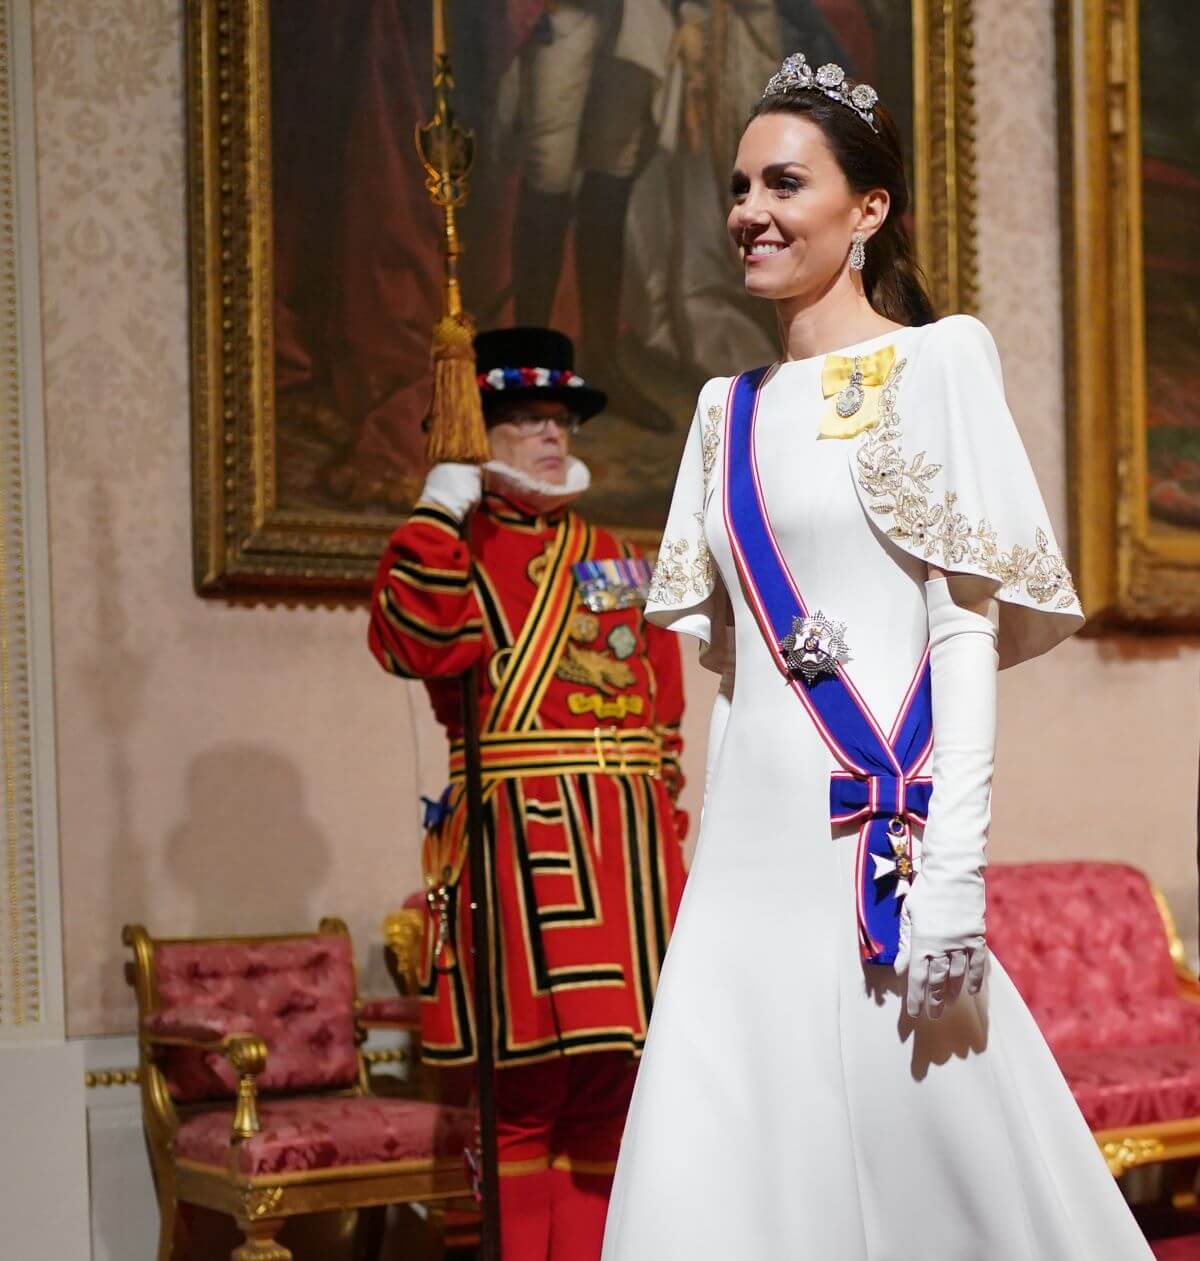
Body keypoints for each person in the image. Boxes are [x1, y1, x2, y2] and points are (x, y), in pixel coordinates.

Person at [601, 53, 1154, 1259]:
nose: (750, 211)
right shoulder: (720, 411)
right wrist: (704, 875)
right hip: (747, 867)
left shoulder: (940, 360)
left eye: (784, 183)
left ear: (868, 210)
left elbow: (963, 627)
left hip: (877, 862)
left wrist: (954, 870)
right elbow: (736, 680)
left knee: (939, 1179)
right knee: (723, 1167)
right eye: (739, 186)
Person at [368, 327, 689, 1261]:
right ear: (475, 435)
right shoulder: (454, 550)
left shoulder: (616, 553)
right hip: (520, 852)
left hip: (627, 864)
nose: (553, 435)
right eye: (524, 420)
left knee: (613, 1093)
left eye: (559, 417)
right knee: (520, 1097)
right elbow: (415, 641)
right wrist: (438, 507)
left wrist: (666, 841)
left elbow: (661, 711)